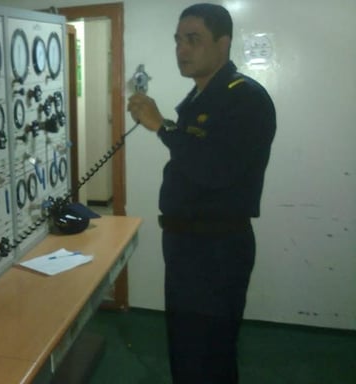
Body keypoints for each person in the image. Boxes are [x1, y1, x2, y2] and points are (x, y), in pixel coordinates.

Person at [126, 4, 276, 383]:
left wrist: (161, 126)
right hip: (187, 244)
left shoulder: (246, 98)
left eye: (193, 39)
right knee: (186, 347)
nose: (182, 49)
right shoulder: (201, 97)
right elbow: (199, 149)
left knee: (208, 353)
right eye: (178, 40)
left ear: (223, 43)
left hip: (216, 250)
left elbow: (216, 169)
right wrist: (168, 127)